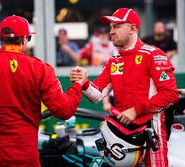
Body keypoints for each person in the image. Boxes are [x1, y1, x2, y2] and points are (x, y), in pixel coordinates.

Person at [0, 15, 87, 167]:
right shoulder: (41, 68)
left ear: (1, 39)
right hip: (27, 159)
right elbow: (64, 110)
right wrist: (77, 86)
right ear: (24, 39)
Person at [70, 8, 179, 167]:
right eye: (111, 27)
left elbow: (171, 95)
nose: (111, 32)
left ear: (132, 29)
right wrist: (84, 82)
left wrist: (135, 110)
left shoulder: (153, 54)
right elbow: (96, 95)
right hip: (124, 136)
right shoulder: (113, 61)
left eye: (116, 27)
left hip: (152, 133)